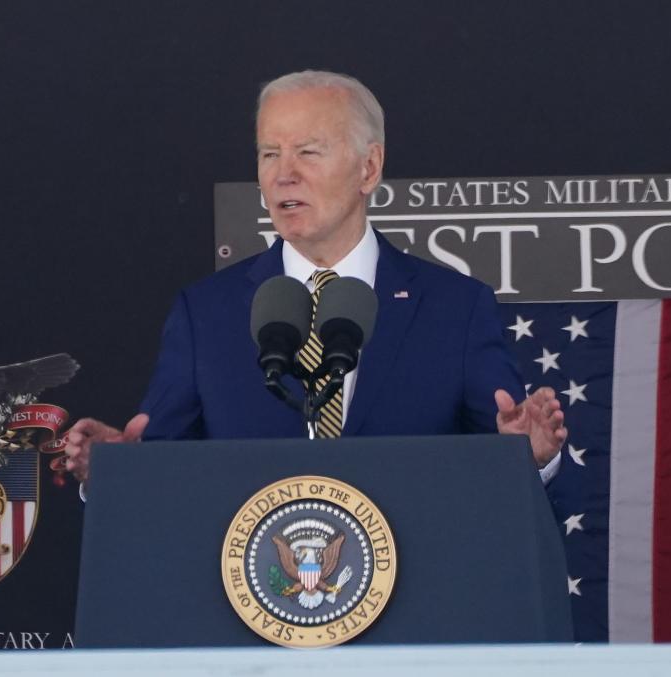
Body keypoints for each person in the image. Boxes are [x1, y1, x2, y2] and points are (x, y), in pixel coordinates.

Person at [65, 70, 566, 485]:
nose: (283, 174)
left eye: (307, 151)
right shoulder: (207, 313)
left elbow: (502, 467)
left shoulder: (454, 308)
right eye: (268, 153)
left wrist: (531, 456)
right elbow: (162, 468)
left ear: (368, 168)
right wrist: (118, 468)